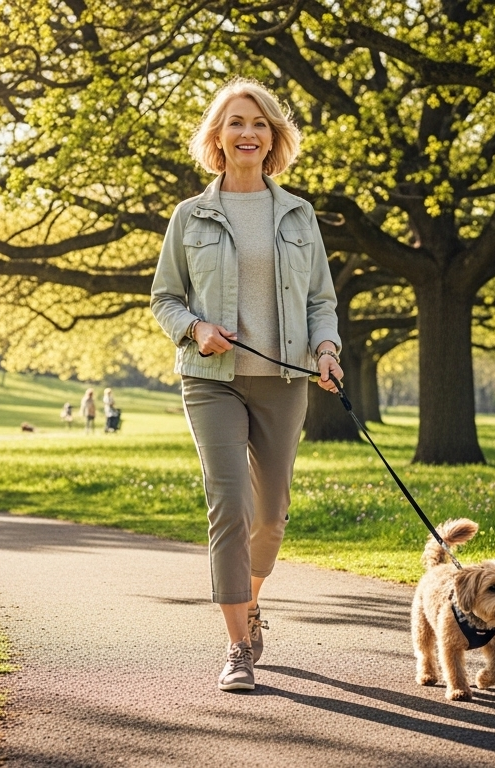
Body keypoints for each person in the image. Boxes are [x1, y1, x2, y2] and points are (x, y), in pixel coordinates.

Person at [149, 77, 342, 692]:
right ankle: (237, 647)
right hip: (212, 380)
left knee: (271, 516)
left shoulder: (297, 214)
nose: (247, 133)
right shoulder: (190, 216)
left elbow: (320, 300)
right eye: (235, 122)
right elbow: (164, 298)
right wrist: (195, 327)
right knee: (229, 504)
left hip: (284, 379)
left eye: (258, 123)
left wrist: (327, 349)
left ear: (274, 136)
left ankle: (251, 601)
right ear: (217, 137)